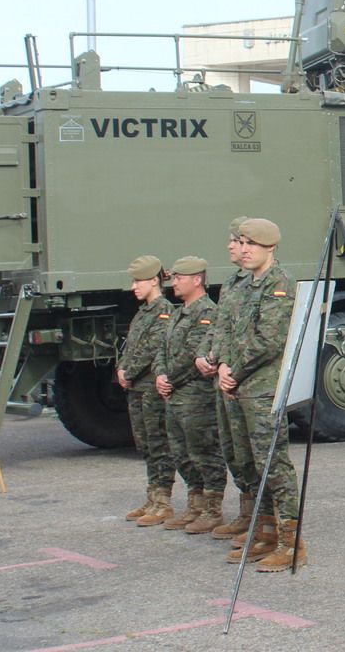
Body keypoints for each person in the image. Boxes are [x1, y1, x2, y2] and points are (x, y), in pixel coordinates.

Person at [218, 217, 307, 571]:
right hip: (239, 386)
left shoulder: (277, 284)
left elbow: (267, 342)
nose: (243, 249)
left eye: (250, 244)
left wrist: (234, 370)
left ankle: (291, 542)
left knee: (274, 465)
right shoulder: (245, 285)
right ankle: (267, 532)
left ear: (269, 247)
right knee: (251, 465)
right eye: (241, 242)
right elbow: (228, 330)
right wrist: (223, 365)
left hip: (263, 389)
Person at [196, 218, 259, 542]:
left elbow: (258, 337)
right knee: (233, 450)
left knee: (253, 453)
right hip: (225, 377)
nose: (232, 246)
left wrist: (229, 368)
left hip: (243, 379)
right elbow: (220, 327)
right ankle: (247, 513)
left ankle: (263, 522)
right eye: (234, 240)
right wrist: (207, 357)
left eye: (237, 240)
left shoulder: (258, 283)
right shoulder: (233, 282)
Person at [154, 256, 227, 533]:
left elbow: (192, 354)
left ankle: (212, 510)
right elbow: (163, 348)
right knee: (181, 453)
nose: (174, 282)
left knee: (204, 451)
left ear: (197, 280)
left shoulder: (207, 312)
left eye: (179, 278)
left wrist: (169, 379)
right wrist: (160, 374)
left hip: (196, 397)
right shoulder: (178, 312)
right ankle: (195, 505)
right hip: (175, 396)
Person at [116, 255, 175, 526]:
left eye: (138, 281)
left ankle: (163, 501)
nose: (134, 287)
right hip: (137, 388)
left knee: (158, 442)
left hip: (150, 387)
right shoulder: (143, 313)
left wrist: (128, 372)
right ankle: (152, 497)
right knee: (146, 445)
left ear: (154, 281)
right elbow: (129, 347)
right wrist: (120, 368)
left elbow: (152, 348)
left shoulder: (163, 311)